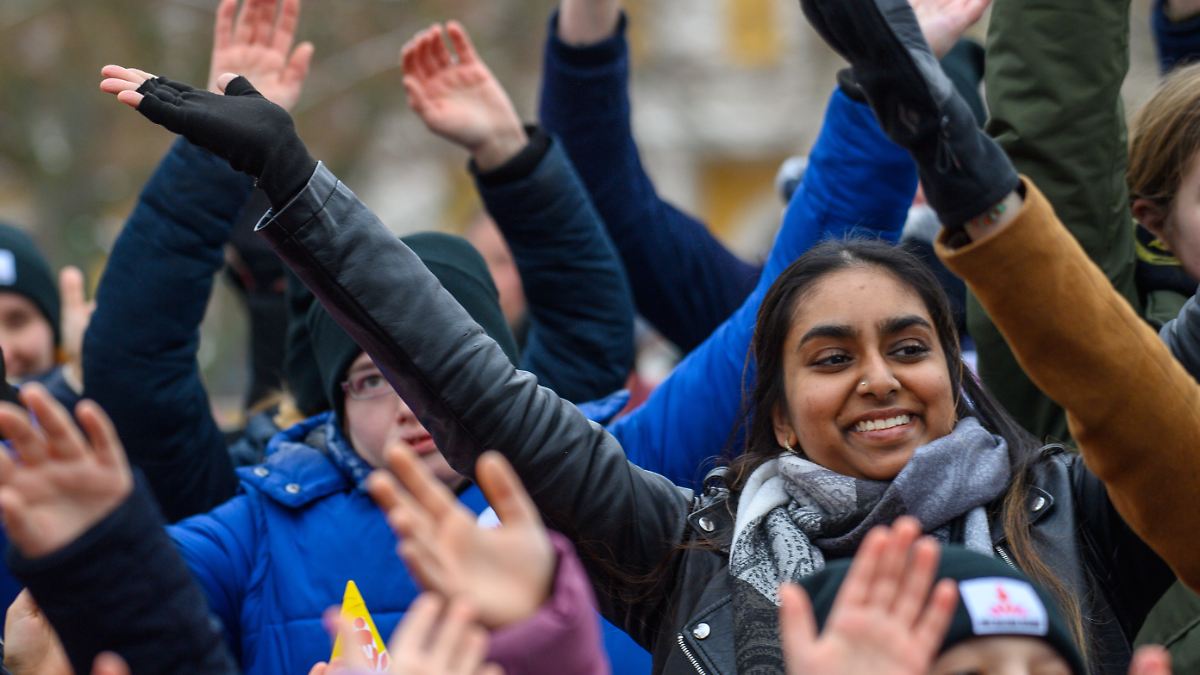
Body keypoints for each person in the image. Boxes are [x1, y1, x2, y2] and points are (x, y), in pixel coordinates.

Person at [100, 1, 1200, 672]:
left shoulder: (1080, 516)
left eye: (910, 347)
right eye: (831, 358)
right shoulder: (685, 555)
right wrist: (295, 184)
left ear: (955, 370)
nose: (880, 378)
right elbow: (488, 397)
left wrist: (947, 140)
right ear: (774, 412)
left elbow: (1120, 369)